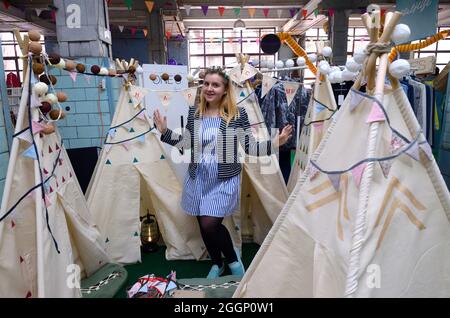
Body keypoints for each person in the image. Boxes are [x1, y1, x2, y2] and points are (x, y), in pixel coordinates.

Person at [153, 66, 292, 279]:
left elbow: (250, 147)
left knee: (210, 225)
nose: (209, 88)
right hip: (198, 176)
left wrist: (275, 143)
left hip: (223, 179)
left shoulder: (237, 115)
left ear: (225, 89)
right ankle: (217, 263)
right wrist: (165, 132)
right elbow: (188, 141)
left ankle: (234, 262)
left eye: (215, 85)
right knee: (204, 225)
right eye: (206, 83)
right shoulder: (195, 112)